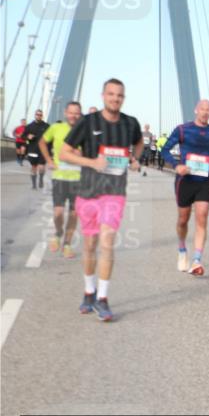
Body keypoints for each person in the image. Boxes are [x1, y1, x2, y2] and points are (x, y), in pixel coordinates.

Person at [58, 78, 143, 322]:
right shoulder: (88, 122)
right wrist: (91, 162)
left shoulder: (130, 123)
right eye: (111, 94)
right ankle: (89, 292)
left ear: (123, 98)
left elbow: (138, 143)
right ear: (103, 95)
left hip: (114, 192)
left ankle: (103, 299)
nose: (115, 98)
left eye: (119, 95)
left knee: (107, 242)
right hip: (88, 191)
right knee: (89, 245)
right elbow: (64, 152)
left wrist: (135, 159)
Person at [161, 100, 209, 276]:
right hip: (185, 180)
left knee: (202, 217)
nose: (205, 112)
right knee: (183, 219)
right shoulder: (182, 129)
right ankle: (182, 249)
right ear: (196, 110)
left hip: (205, 180)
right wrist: (176, 166)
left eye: (208, 110)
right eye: (202, 109)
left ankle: (197, 260)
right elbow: (164, 150)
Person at [38, 102, 84, 258]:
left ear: (80, 114)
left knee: (74, 214)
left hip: (78, 179)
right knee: (58, 212)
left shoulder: (85, 131)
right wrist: (49, 160)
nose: (73, 115)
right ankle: (58, 233)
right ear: (65, 113)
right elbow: (42, 142)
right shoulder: (56, 128)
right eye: (71, 112)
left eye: (77, 113)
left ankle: (67, 245)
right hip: (60, 177)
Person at [23, 109, 50, 188]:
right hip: (32, 149)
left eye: (40, 115)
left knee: (41, 167)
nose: (39, 116)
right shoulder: (29, 126)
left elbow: (51, 137)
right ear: (35, 115)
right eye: (37, 114)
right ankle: (34, 185)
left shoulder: (46, 126)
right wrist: (28, 136)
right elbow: (23, 136)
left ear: (42, 116)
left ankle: (41, 179)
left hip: (43, 150)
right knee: (34, 167)